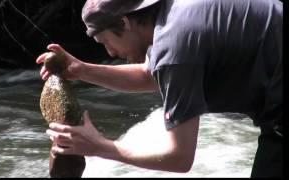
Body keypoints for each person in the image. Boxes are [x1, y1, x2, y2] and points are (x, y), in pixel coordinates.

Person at [36, 0, 283, 178]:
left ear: (125, 22)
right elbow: (150, 75)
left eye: (105, 42)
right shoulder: (171, 15)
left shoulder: (175, 49)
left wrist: (101, 147)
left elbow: (179, 157)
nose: (110, 53)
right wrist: (81, 70)